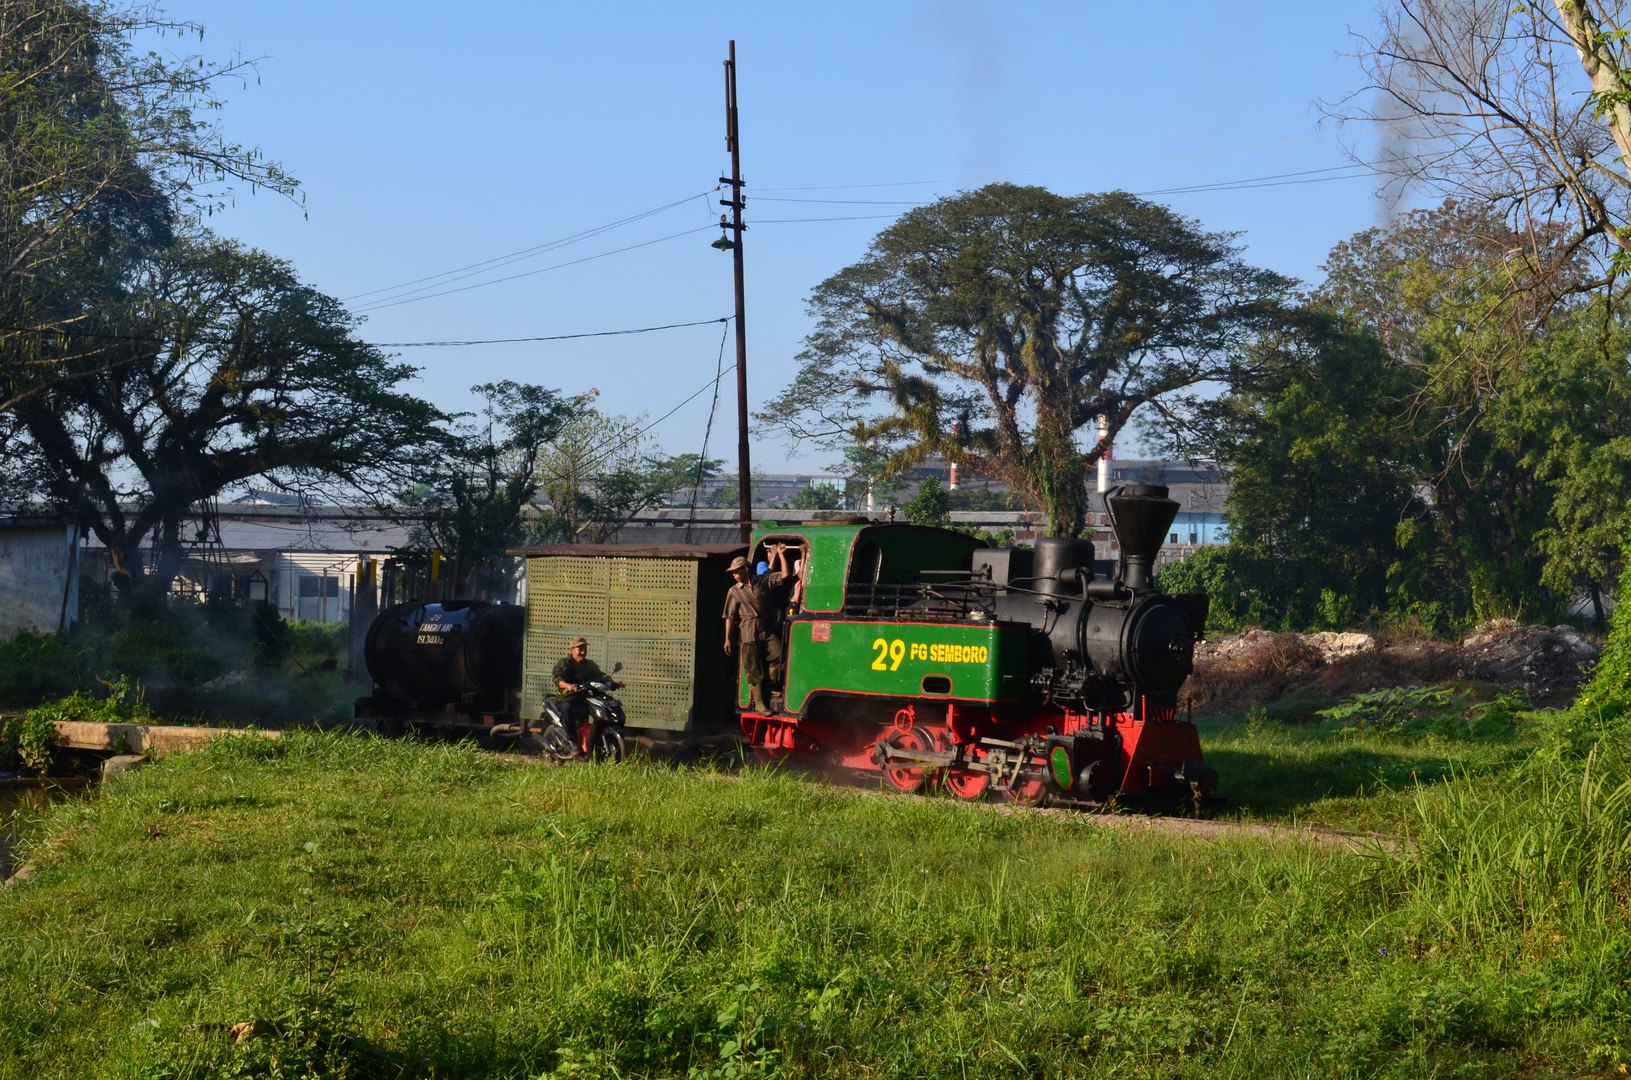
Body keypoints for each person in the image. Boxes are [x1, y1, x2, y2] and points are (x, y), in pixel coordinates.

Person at [723, 543, 790, 714]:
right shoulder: (734, 591)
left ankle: (772, 685)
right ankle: (760, 705)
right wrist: (728, 638)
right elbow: (730, 617)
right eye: (733, 573)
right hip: (748, 632)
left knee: (780, 657)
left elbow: (785, 575)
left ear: (746, 569)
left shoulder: (763, 581)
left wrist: (781, 554)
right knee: (754, 670)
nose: (735, 575)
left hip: (765, 629)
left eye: (737, 571)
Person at [551, 637, 621, 751]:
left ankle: (593, 742)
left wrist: (612, 683)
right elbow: (557, 679)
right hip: (567, 698)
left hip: (583, 698)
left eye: (585, 649)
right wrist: (569, 686)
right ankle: (572, 741)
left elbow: (600, 676)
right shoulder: (564, 663)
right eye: (580, 649)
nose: (583, 652)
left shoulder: (589, 664)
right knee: (568, 708)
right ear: (571, 650)